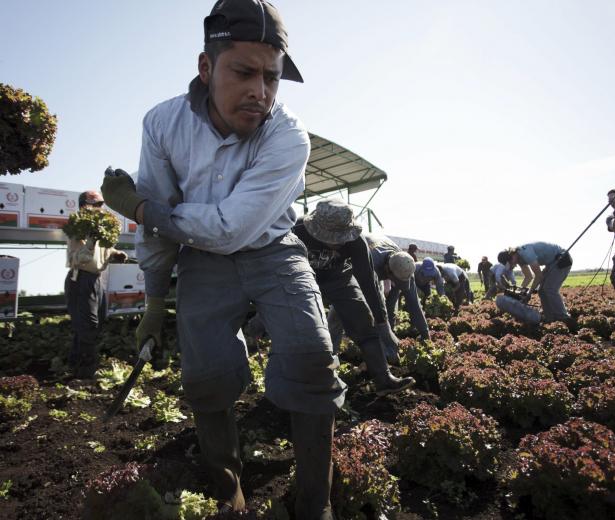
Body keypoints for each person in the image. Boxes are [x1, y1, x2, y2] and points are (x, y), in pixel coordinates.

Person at [101, 1, 345, 517]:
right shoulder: (163, 123)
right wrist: (152, 303)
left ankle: (314, 502)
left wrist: (143, 208)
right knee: (205, 375)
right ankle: (227, 487)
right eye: (244, 72)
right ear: (206, 68)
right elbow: (166, 232)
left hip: (275, 250)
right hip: (201, 262)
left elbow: (233, 227)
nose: (260, 91)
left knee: (311, 357)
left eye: (272, 78)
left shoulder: (288, 135)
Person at [293, 200, 414, 392]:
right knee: (305, 328)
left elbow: (368, 281)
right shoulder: (297, 230)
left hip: (339, 278)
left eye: (340, 238)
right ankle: (309, 381)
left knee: (364, 320)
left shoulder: (356, 242)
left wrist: (383, 324)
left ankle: (384, 378)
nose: (337, 242)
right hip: (300, 279)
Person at [65, 190, 127, 378]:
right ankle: (86, 372)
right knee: (88, 324)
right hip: (80, 278)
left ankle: (76, 366)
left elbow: (106, 249)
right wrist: (91, 240)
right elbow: (79, 258)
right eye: (95, 204)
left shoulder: (101, 228)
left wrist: (116, 253)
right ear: (83, 205)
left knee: (95, 323)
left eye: (101, 204)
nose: (99, 208)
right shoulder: (78, 229)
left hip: (96, 279)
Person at [365, 233, 430, 340]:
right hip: (358, 259)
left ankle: (389, 332)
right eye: (397, 281)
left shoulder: (405, 264)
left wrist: (425, 333)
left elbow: (414, 303)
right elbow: (373, 302)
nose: (399, 285)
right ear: (389, 273)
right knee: (371, 306)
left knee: (391, 301)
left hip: (386, 258)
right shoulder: (372, 263)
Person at [504, 242, 572, 323]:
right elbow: (528, 277)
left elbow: (539, 276)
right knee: (541, 291)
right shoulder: (519, 258)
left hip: (561, 259)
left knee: (549, 289)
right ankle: (549, 318)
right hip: (551, 263)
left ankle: (564, 317)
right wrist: (520, 292)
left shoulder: (526, 254)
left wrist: (529, 294)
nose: (513, 265)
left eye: (511, 263)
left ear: (512, 256)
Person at [607, 189, 615, 289]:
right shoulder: (610, 217)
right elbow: (612, 225)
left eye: (613, 199)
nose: (611, 202)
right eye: (609, 201)